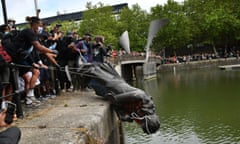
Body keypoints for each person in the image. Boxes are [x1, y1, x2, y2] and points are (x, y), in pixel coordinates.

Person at [3, 16, 58, 107]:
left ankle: (29, 97)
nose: (41, 27)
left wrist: (33, 63)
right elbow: (39, 47)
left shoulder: (33, 35)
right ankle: (10, 105)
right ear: (35, 24)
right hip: (10, 57)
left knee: (34, 72)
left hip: (20, 58)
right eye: (40, 25)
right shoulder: (29, 32)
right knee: (10, 83)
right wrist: (51, 51)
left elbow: (29, 52)